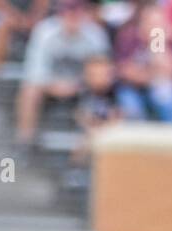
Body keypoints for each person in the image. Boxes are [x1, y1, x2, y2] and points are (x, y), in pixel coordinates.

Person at [15, 0, 110, 146]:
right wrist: (53, 86)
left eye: (76, 11)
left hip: (83, 89)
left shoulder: (95, 35)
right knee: (29, 90)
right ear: (61, 13)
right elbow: (34, 71)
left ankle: (91, 150)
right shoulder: (45, 32)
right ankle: (25, 142)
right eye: (69, 11)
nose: (72, 16)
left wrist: (79, 85)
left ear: (83, 13)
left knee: (100, 94)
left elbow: (102, 74)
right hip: (49, 87)